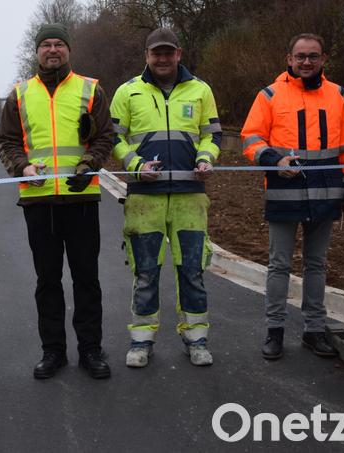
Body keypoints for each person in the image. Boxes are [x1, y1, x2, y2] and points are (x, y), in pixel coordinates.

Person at [0, 23, 115, 379]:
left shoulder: (91, 89)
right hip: (39, 202)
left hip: (81, 200)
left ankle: (91, 350)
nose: (52, 50)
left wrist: (88, 164)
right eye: (46, 44)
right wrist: (22, 165)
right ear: (37, 52)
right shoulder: (19, 94)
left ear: (68, 50)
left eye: (59, 44)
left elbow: (106, 136)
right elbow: (6, 141)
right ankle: (53, 352)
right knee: (47, 281)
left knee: (87, 280)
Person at [241, 33, 344, 360]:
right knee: (279, 265)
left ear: (323, 59)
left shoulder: (339, 95)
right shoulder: (269, 95)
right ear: (289, 59)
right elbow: (250, 137)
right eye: (301, 56)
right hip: (284, 192)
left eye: (313, 56)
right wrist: (273, 160)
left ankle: (314, 330)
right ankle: (275, 331)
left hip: (326, 192)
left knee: (317, 265)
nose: (307, 61)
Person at [110, 28, 222, 368]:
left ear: (179, 53)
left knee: (192, 270)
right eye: (156, 53)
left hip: (190, 196)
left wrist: (207, 158)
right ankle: (141, 341)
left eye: (168, 52)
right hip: (145, 198)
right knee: (146, 272)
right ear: (146, 55)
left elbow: (212, 134)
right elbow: (114, 139)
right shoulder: (127, 92)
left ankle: (196, 338)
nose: (162, 59)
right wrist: (135, 164)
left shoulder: (201, 90)